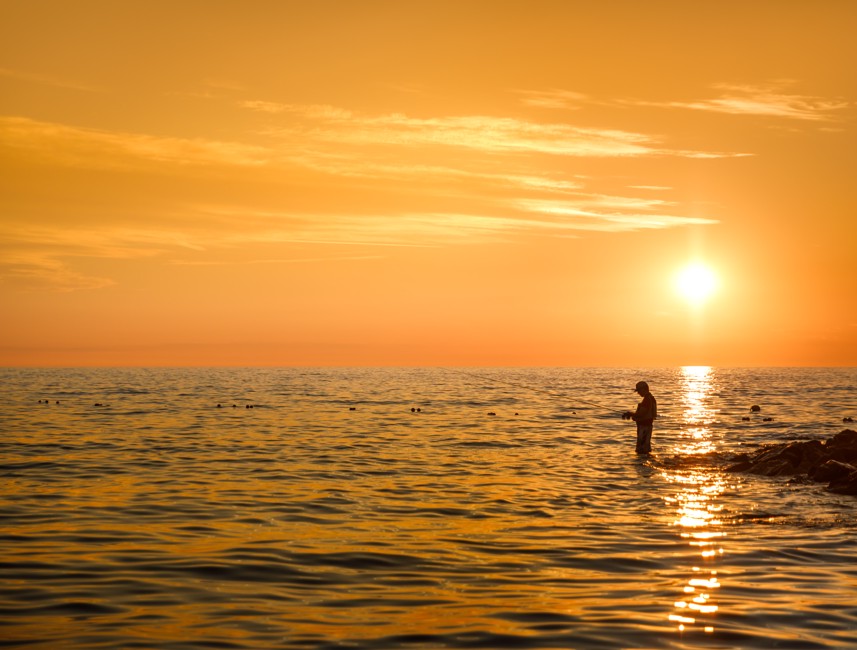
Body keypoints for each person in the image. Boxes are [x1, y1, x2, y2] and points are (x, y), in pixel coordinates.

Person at [623, 381, 657, 454]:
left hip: (644, 428)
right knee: (645, 449)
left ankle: (642, 461)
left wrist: (629, 414)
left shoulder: (647, 400)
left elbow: (640, 414)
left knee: (641, 450)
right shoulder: (651, 398)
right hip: (647, 427)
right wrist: (632, 415)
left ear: (644, 389)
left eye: (639, 391)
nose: (638, 393)